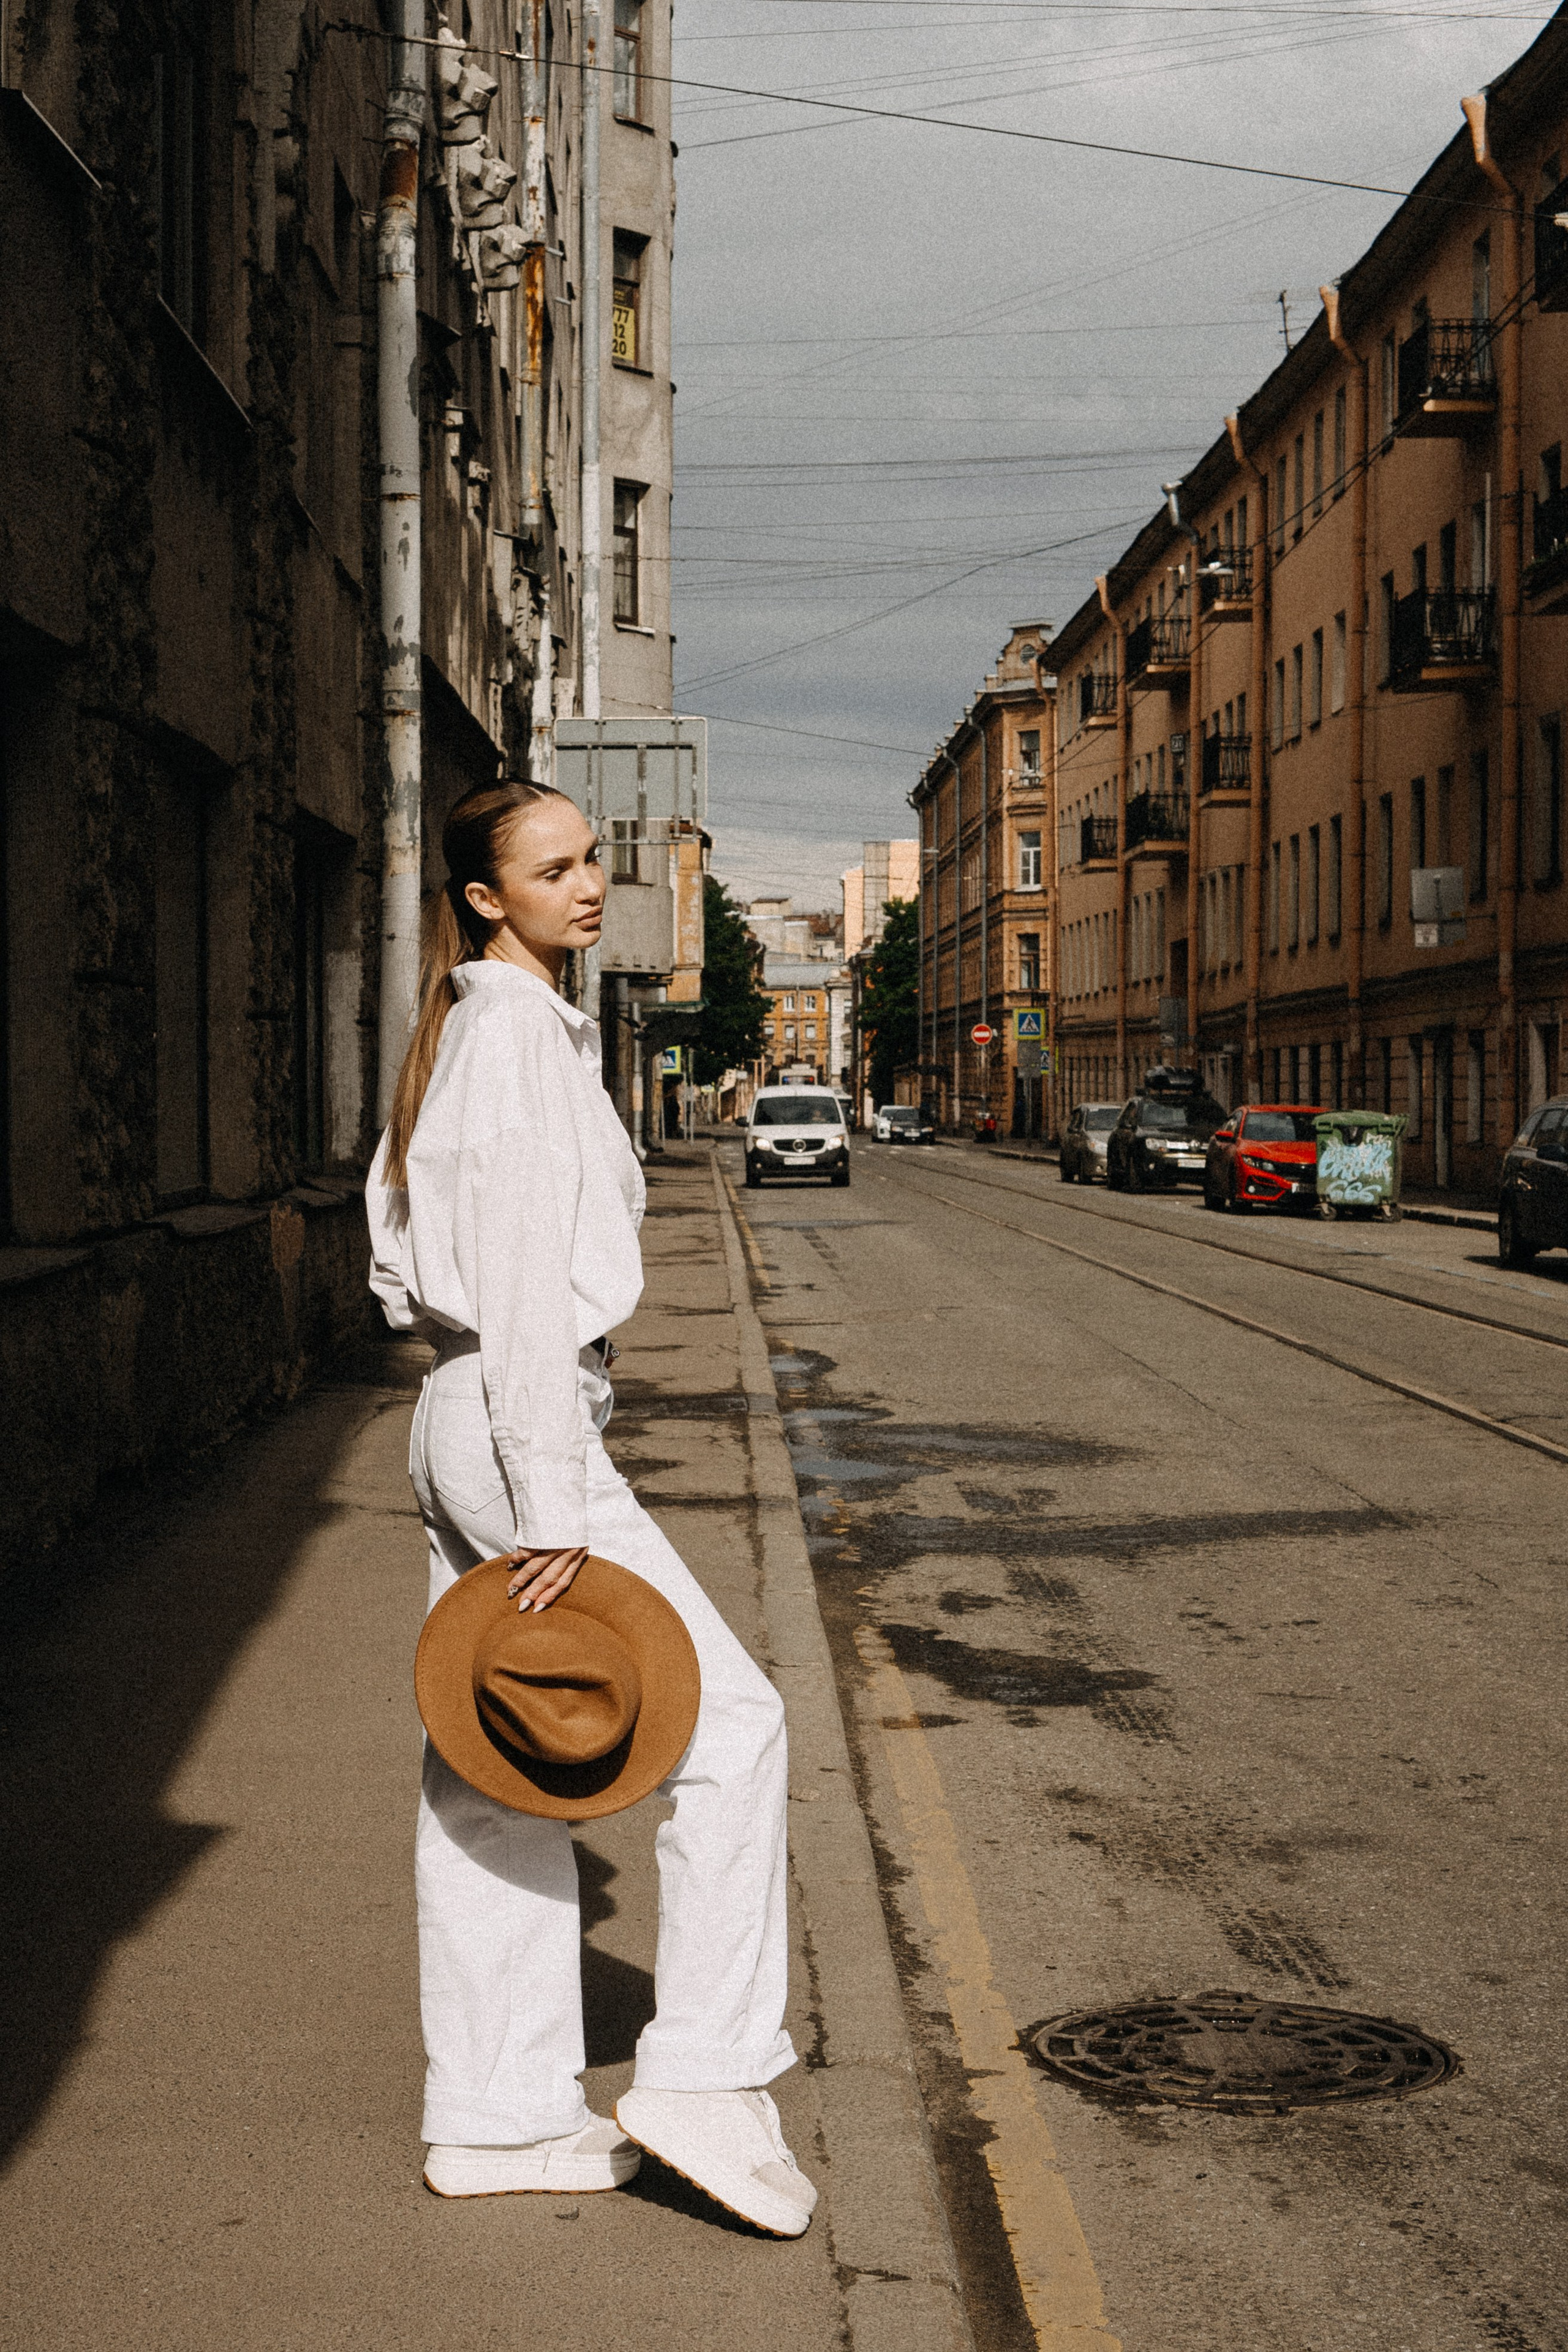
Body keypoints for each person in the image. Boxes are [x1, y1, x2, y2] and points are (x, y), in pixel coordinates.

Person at [366, 780, 815, 2237]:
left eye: (591, 863)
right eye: (551, 869)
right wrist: (551, 1492)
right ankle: (703, 2073)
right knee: (732, 1730)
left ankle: (499, 2119)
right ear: (486, 896)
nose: (587, 886)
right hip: (521, 1419)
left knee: (493, 1770)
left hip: (469, 1410)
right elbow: (504, 1266)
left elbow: (399, 1260)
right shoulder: (504, 1031)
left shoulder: (481, 1024)